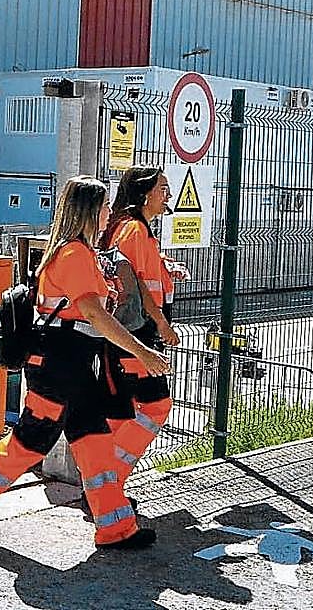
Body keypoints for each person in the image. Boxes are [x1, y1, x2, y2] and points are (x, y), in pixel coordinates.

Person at [0, 175, 169, 550]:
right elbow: (95, 316)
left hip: (73, 368)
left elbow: (88, 312)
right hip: (59, 369)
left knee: (95, 444)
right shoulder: (74, 255)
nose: (110, 212)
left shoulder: (75, 252)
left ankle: (115, 528)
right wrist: (143, 353)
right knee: (29, 443)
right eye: (105, 207)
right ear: (90, 211)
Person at [97, 166, 178, 490]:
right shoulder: (134, 231)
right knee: (156, 405)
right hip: (136, 333)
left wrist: (166, 266)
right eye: (163, 189)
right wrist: (161, 322)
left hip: (129, 332)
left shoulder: (131, 228)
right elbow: (139, 285)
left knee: (122, 412)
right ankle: (108, 484)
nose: (168, 196)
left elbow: (138, 272)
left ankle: (106, 487)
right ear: (144, 194)